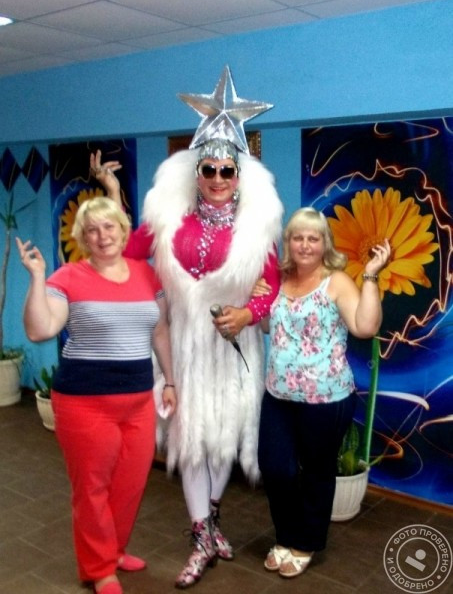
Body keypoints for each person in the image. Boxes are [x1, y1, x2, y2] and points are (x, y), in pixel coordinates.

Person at [90, 66, 284, 588]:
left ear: (239, 175)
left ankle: (210, 524)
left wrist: (248, 314)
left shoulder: (257, 231)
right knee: (190, 439)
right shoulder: (169, 221)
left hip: (234, 349)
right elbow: (128, 253)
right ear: (196, 172)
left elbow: (271, 289)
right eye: (209, 169)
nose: (218, 179)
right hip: (184, 349)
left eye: (226, 170)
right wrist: (113, 192)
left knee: (223, 440)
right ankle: (202, 537)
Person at [16, 197, 177, 594]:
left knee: (130, 484)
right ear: (83, 238)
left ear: (123, 232)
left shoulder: (147, 274)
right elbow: (40, 329)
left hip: (138, 401)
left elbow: (159, 331)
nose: (102, 236)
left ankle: (115, 550)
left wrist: (172, 381)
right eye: (92, 230)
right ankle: (99, 568)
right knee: (92, 489)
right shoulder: (69, 276)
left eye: (109, 227)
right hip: (84, 403)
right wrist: (37, 277)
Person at [257, 207, 390, 579]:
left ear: (324, 244)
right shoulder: (279, 278)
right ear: (288, 242)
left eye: (313, 238)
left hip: (326, 399)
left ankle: (305, 542)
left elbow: (365, 327)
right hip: (278, 395)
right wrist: (259, 299)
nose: (305, 244)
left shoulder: (337, 281)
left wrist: (370, 276)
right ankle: (285, 535)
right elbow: (268, 327)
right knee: (275, 467)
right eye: (298, 237)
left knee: (317, 472)